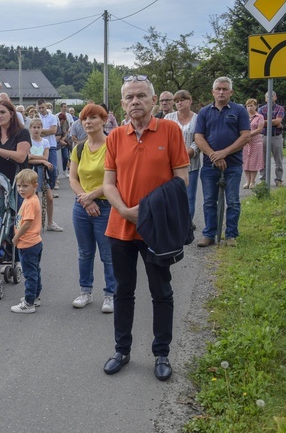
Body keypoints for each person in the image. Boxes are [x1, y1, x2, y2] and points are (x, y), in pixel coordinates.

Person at [102, 75, 189, 382]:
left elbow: (181, 179)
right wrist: (125, 211)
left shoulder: (170, 130)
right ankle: (121, 350)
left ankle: (161, 353)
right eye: (129, 97)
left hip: (157, 230)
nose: (135, 101)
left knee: (161, 291)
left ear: (153, 100)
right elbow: (108, 183)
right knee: (123, 291)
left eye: (141, 95)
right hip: (121, 228)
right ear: (122, 104)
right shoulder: (114, 136)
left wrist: (150, 211)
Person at [68, 103, 116, 314]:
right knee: (84, 252)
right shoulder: (78, 148)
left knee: (107, 254)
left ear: (104, 121)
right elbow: (72, 177)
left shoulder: (112, 146)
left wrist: (92, 197)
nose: (88, 122)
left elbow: (115, 179)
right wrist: (85, 200)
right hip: (82, 206)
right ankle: (85, 291)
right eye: (84, 119)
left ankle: (110, 294)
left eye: (93, 118)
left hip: (105, 206)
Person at [194, 77, 251, 248]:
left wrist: (224, 153)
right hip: (210, 165)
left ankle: (231, 235)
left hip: (233, 164)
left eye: (225, 89)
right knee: (209, 201)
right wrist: (213, 155)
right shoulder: (204, 112)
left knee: (233, 201)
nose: (221, 92)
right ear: (212, 92)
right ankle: (209, 234)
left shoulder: (239, 111)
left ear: (231, 92)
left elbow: (246, 136)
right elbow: (198, 137)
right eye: (218, 89)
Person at [165, 90, 202, 222]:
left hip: (191, 164)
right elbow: (163, 138)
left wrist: (189, 152)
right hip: (170, 165)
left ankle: (187, 227)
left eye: (182, 100)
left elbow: (200, 139)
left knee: (189, 198)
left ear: (190, 100)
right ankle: (173, 224)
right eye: (176, 101)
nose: (179, 103)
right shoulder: (169, 118)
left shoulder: (198, 118)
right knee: (171, 197)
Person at [10, 169, 43, 314]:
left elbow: (27, 223)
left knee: (30, 274)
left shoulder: (30, 202)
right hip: (35, 242)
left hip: (28, 243)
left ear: (35, 186)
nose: (21, 189)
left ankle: (29, 303)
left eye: (25, 186)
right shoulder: (31, 199)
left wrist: (17, 237)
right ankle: (35, 297)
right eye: (19, 186)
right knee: (35, 271)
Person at [27, 118, 60, 230]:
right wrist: (42, 160)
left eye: (38, 127)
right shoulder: (28, 141)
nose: (36, 130)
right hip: (31, 171)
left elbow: (45, 156)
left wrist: (41, 159)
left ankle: (50, 222)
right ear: (30, 128)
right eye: (34, 127)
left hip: (43, 172)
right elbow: (28, 159)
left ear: (41, 128)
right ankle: (34, 223)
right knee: (34, 198)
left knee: (49, 197)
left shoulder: (45, 142)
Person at [36, 100, 63, 228]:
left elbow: (53, 131)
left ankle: (51, 187)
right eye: (39, 108)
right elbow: (36, 131)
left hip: (50, 146)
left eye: (42, 107)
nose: (41, 110)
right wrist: (42, 131)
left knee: (53, 168)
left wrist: (43, 131)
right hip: (39, 146)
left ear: (46, 107)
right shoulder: (37, 118)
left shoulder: (53, 117)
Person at [258, 91, 285, 187]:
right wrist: (275, 122)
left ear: (275, 97)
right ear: (265, 99)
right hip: (264, 136)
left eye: (271, 96)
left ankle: (278, 179)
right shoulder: (261, 109)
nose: (269, 98)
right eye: (267, 97)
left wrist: (267, 121)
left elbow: (278, 120)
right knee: (263, 160)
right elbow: (260, 123)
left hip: (276, 137)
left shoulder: (280, 108)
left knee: (278, 160)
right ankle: (263, 180)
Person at [243, 99, 265, 189]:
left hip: (256, 142)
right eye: (248, 106)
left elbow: (259, 129)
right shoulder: (244, 116)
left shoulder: (259, 117)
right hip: (245, 143)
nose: (250, 108)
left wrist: (248, 134)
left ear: (255, 106)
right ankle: (247, 181)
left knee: (254, 162)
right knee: (245, 162)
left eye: (252, 106)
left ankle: (252, 181)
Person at [57, 112, 72, 179]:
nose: (62, 122)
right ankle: (59, 171)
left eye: (63, 120)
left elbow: (67, 131)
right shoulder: (56, 124)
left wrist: (64, 138)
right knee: (59, 158)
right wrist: (60, 140)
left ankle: (64, 170)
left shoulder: (66, 122)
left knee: (66, 156)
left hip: (65, 141)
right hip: (58, 141)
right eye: (61, 121)